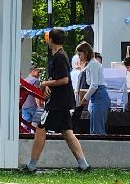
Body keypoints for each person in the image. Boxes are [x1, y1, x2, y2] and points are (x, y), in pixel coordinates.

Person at [22, 27, 91, 173]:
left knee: (40, 129)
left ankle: (31, 165)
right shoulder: (61, 55)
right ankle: (83, 164)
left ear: (51, 40)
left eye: (48, 38)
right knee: (67, 132)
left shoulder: (59, 57)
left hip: (57, 103)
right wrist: (49, 83)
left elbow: (64, 79)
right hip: (63, 101)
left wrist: (45, 84)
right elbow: (57, 78)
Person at [76, 41, 111, 135]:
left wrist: (85, 97)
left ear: (86, 53)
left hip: (99, 97)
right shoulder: (90, 64)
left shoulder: (94, 64)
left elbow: (94, 85)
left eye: (80, 54)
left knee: (97, 130)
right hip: (95, 98)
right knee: (93, 129)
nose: (79, 57)